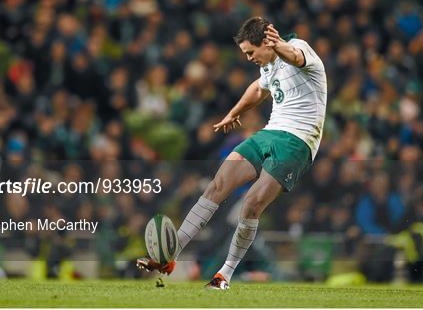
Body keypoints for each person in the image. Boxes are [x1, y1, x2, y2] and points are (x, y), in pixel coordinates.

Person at [137, 16, 327, 289]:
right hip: (269, 132)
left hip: (298, 141)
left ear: (268, 41)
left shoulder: (298, 47)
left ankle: (224, 275)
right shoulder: (269, 65)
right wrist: (233, 113)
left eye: (251, 52)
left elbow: (296, 57)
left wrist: (279, 45)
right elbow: (258, 89)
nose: (249, 58)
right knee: (218, 184)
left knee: (251, 204)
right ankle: (170, 255)